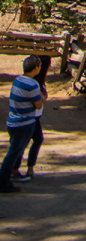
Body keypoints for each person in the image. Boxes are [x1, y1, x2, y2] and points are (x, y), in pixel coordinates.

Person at [1, 56, 44, 192]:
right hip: (24, 123)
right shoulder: (32, 84)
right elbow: (38, 105)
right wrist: (43, 98)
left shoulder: (18, 80)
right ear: (36, 67)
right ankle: (3, 182)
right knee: (13, 154)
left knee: (15, 151)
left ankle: (8, 176)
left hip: (13, 122)